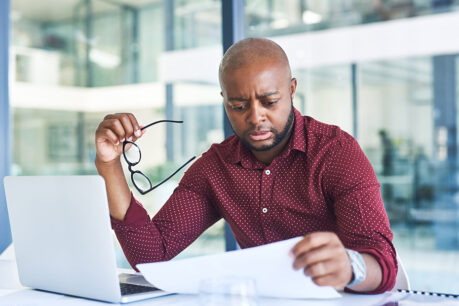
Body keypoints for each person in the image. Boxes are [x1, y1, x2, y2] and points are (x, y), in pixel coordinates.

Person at [95, 38, 397, 294]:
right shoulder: (215, 168)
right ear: (224, 101)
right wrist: (109, 164)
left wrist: (350, 266)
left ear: (292, 90)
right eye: (238, 106)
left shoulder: (335, 153)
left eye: (269, 101)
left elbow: (382, 263)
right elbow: (150, 256)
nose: (255, 117)